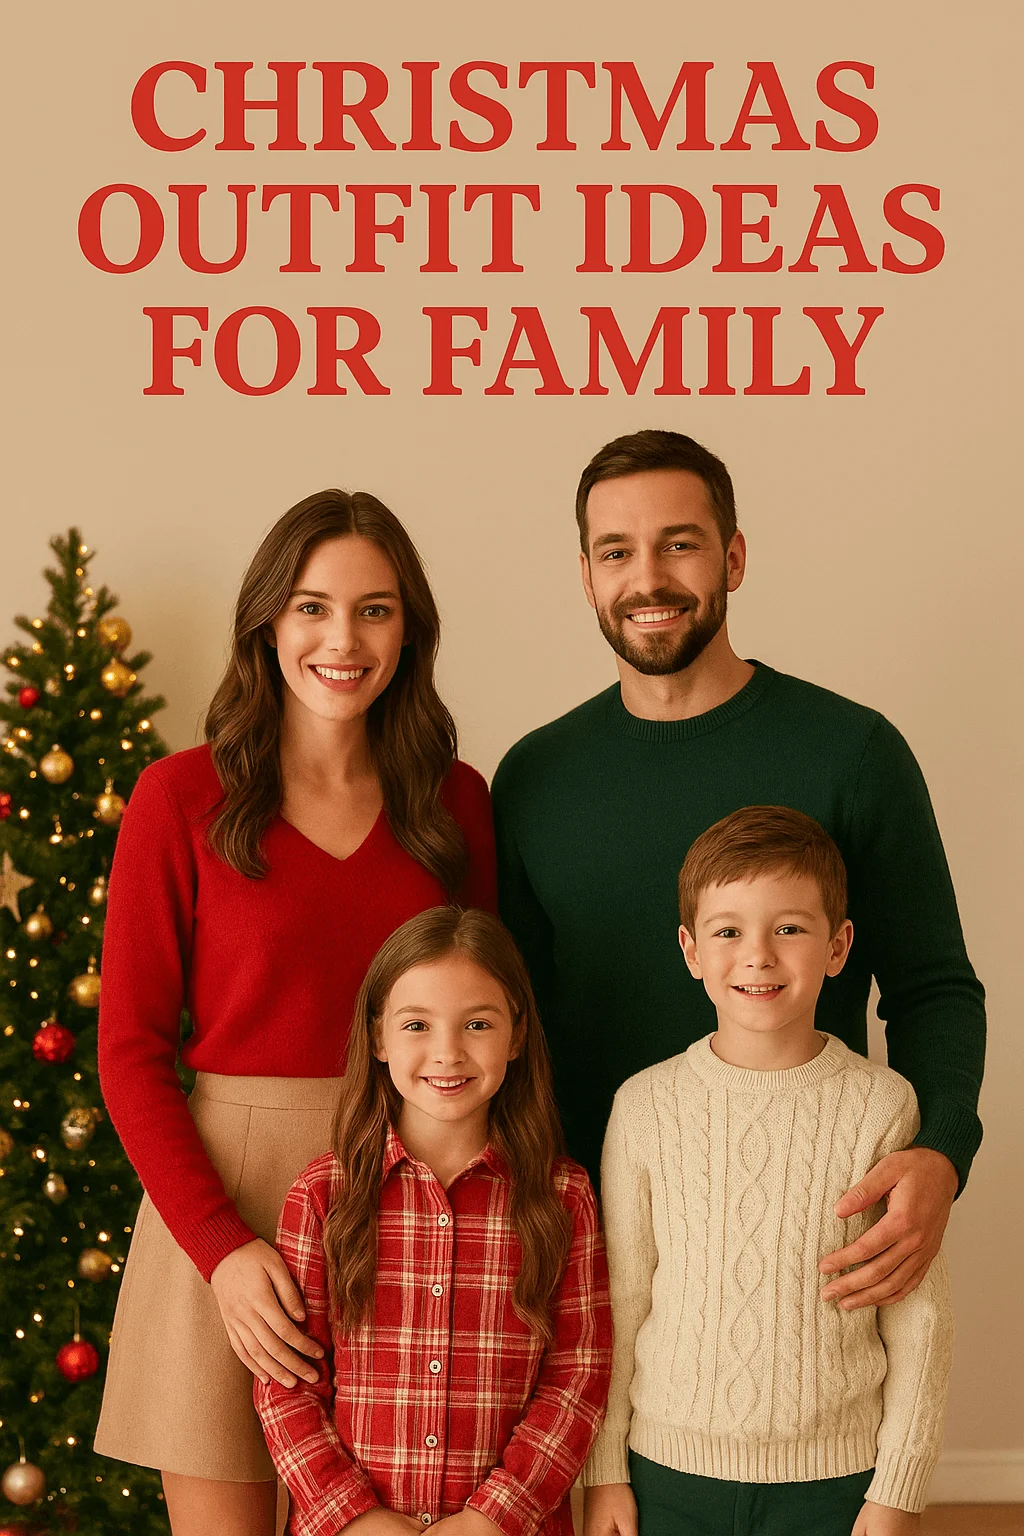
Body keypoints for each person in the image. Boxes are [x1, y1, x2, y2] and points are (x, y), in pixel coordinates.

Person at [492, 428, 984, 1311]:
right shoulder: (534, 779)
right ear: (587, 575)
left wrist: (941, 1151)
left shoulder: (852, 753)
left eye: (679, 543)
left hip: (810, 1238)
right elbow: (513, 1023)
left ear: (734, 557)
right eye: (618, 552)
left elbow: (933, 986)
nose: (648, 579)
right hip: (589, 1247)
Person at [94, 490, 498, 1536]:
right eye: (312, 607)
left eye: (375, 609)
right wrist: (220, 1249)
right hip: (223, 1206)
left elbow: (492, 1022)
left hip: (409, 1207)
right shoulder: (178, 800)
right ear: (267, 623)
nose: (342, 638)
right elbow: (130, 1053)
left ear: (409, 631)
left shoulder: (454, 804)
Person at [583, 806, 953, 1536]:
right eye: (728, 931)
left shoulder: (883, 1105)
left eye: (789, 928)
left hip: (836, 1483)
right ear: (690, 949)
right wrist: (605, 1474)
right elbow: (618, 1302)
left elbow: (920, 1319)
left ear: (838, 945)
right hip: (667, 1475)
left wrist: (897, 1492)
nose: (758, 955)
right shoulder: (645, 1105)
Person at [254, 905, 612, 1536]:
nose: (447, 1052)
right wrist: (358, 1519)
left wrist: (489, 1520)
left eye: (477, 1023)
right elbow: (287, 1386)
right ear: (377, 1038)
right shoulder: (322, 1196)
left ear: (518, 1034)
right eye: (417, 1024)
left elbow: (577, 1378)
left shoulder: (563, 1197)